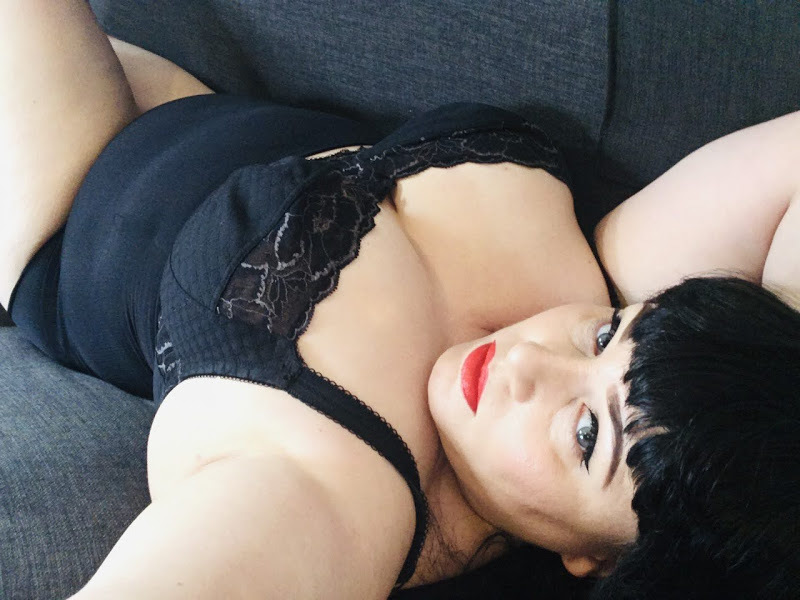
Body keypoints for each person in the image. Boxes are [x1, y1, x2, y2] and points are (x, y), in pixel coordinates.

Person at [1, 2, 797, 598]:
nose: (530, 361)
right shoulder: (620, 290)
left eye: (585, 436)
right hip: (179, 90)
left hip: (59, 186)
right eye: (604, 337)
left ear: (596, 559)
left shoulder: (336, 498)